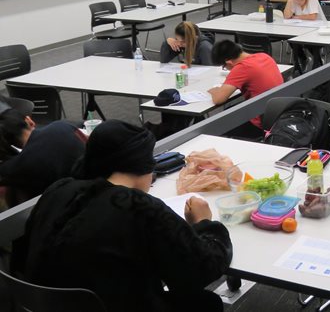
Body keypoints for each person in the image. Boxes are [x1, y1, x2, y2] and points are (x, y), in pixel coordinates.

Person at [21, 120, 232, 312]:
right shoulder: (137, 207)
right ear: (145, 165)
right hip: (112, 305)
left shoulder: (59, 189)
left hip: (44, 304)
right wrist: (205, 223)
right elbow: (203, 270)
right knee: (206, 302)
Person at [0, 96, 86, 206]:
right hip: (96, 190)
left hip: (64, 207)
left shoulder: (15, 167)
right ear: (29, 120)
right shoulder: (61, 126)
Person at [209, 39, 284, 137]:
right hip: (279, 114)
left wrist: (214, 91)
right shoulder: (264, 56)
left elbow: (218, 99)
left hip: (260, 124)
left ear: (229, 62)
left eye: (224, 67)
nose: (226, 69)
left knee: (221, 120)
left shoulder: (242, 67)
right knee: (231, 109)